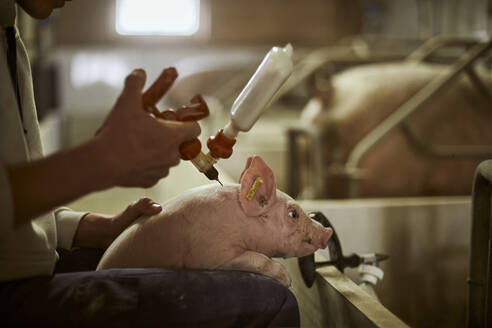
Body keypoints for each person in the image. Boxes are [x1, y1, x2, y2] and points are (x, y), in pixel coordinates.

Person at [0, 0, 300, 326]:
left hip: (24, 263)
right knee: (270, 300)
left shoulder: (7, 25)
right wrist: (100, 160)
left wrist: (91, 228)